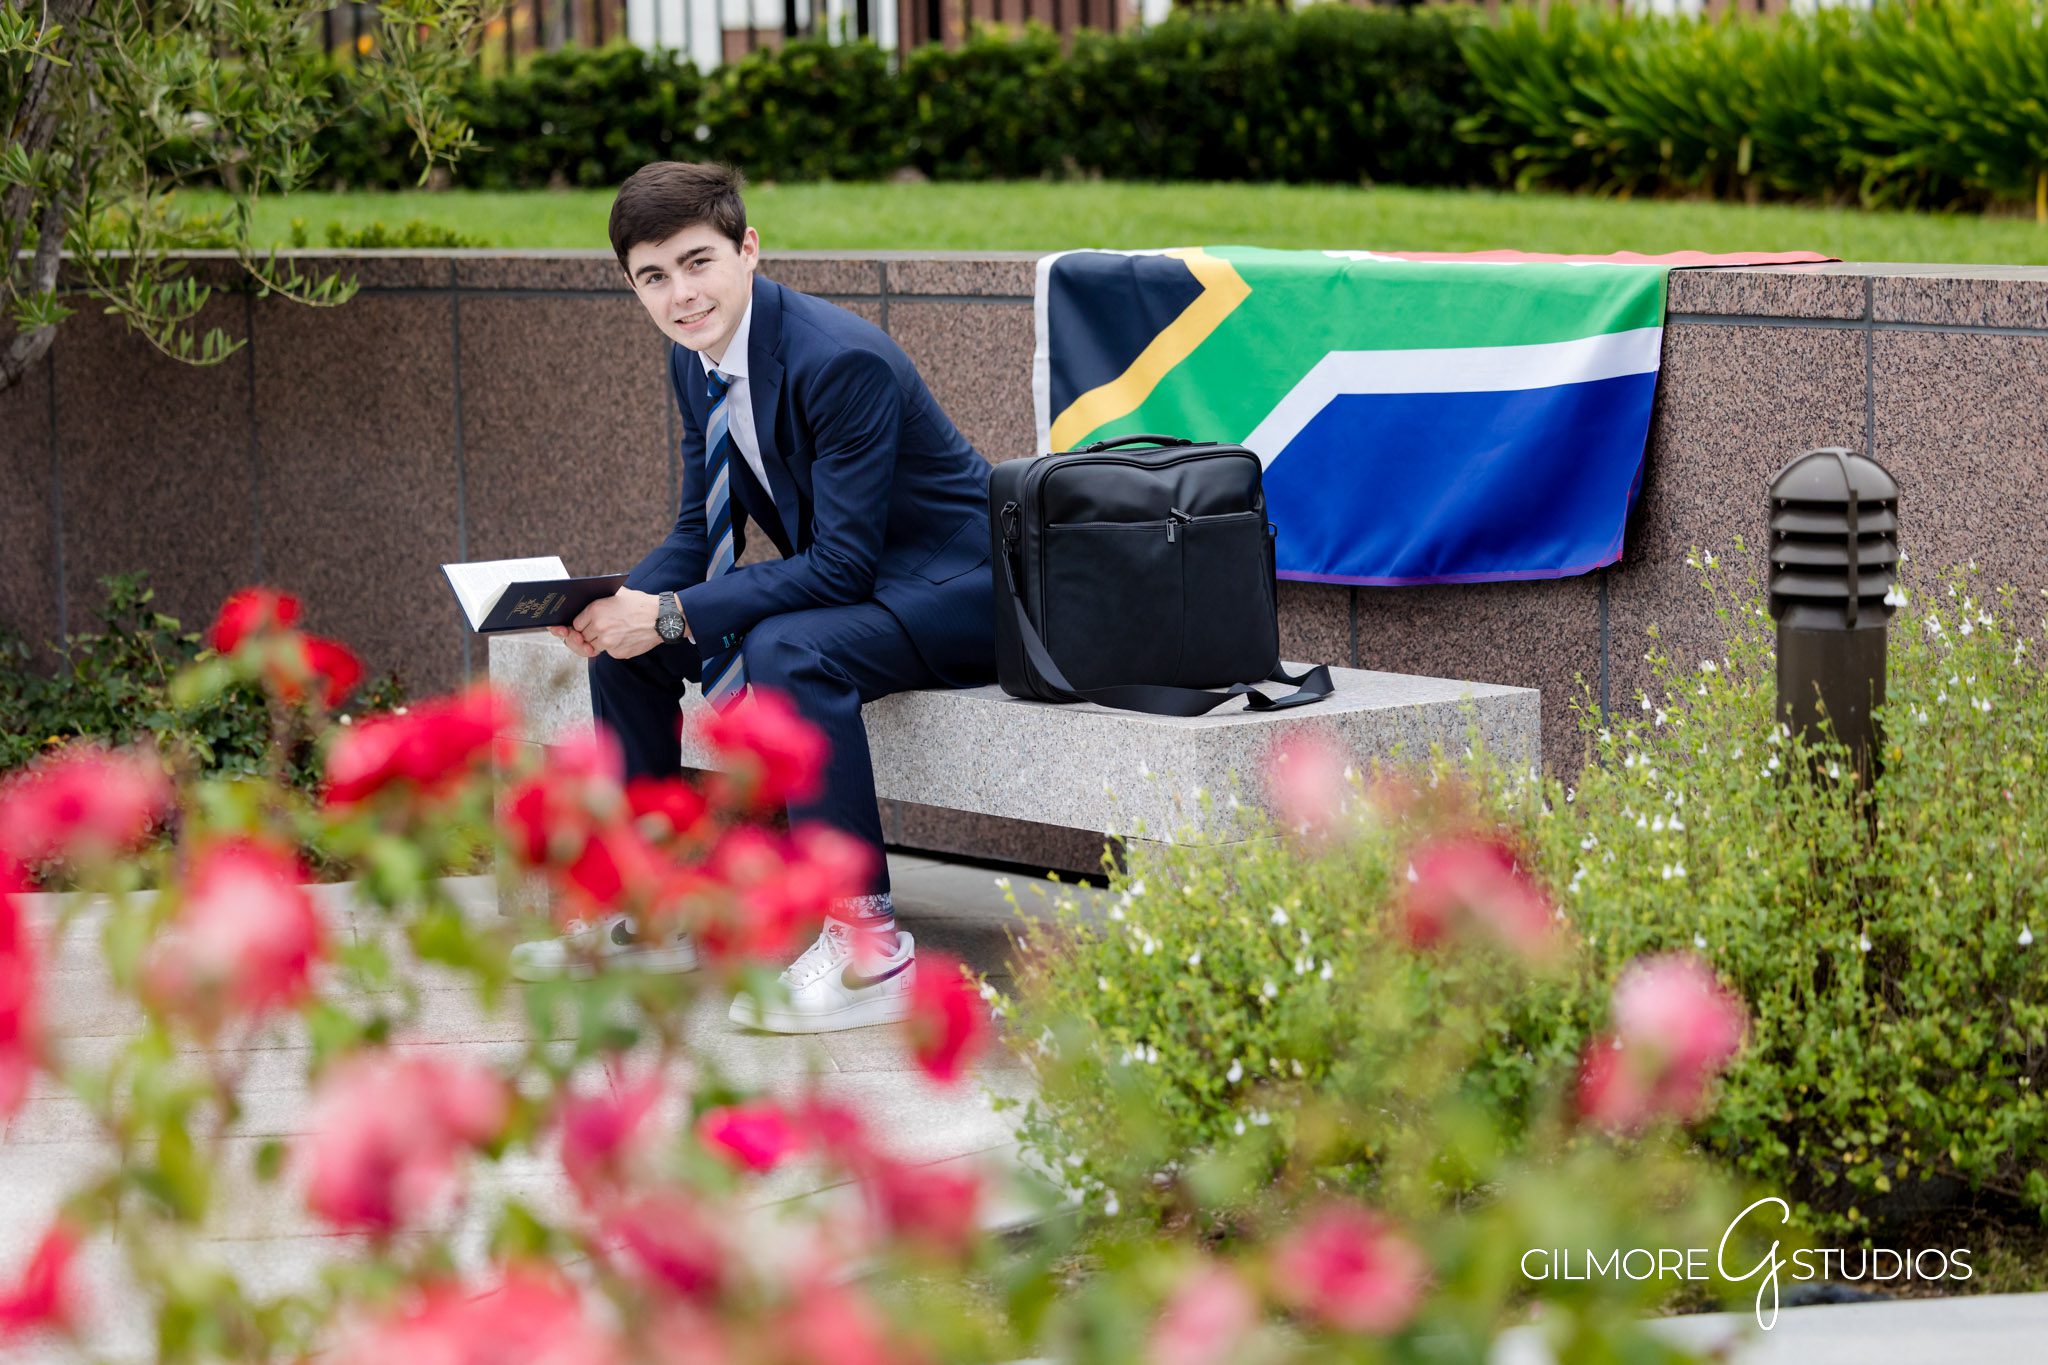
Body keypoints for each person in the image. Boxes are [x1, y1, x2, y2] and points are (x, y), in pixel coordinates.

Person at [508, 162, 996, 1032]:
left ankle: (865, 945)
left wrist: (667, 608)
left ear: (749, 250)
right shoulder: (695, 362)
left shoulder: (838, 361)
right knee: (634, 644)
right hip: (861, 590)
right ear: (632, 286)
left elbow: (840, 566)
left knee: (786, 649)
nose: (681, 293)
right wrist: (616, 604)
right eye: (653, 277)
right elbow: (700, 533)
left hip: (963, 591)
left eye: (698, 262)